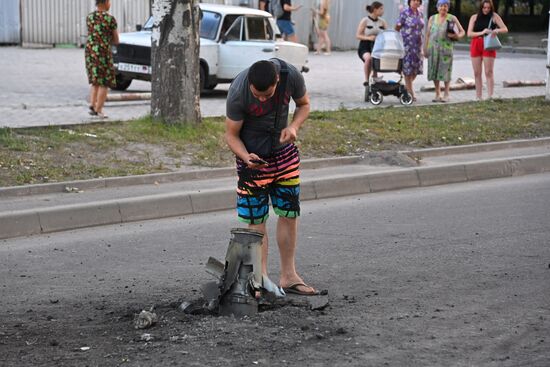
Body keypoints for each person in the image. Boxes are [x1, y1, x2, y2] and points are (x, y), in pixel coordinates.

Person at [224, 59, 318, 296]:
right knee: (257, 221)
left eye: (267, 95)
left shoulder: (291, 76)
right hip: (252, 162)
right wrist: (246, 156)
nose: (262, 100)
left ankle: (288, 276)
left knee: (289, 213)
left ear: (277, 81)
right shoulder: (238, 90)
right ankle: (260, 278)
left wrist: (294, 126)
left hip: (284, 155)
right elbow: (231, 135)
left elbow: (304, 104)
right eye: (257, 95)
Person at [423, 0, 465, 102]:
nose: (443, 8)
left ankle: (446, 94)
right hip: (433, 49)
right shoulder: (432, 18)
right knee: (434, 70)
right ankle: (437, 93)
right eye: (441, 6)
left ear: (448, 7)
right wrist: (425, 48)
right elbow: (427, 34)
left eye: (445, 6)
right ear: (437, 7)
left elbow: (462, 31)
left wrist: (456, 36)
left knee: (446, 71)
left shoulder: (452, 18)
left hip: (446, 49)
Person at [467, 0, 508, 100]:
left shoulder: (494, 16)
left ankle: (490, 96)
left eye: (488, 8)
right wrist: (482, 32)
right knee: (477, 72)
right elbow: (469, 33)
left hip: (488, 44)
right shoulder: (474, 17)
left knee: (488, 71)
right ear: (481, 7)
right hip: (476, 43)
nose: (486, 10)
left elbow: (505, 29)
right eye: (484, 7)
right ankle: (478, 96)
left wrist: (497, 30)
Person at [85, 0, 119, 119]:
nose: (110, 4)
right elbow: (116, 40)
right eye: (109, 1)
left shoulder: (89, 17)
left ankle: (92, 104)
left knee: (95, 80)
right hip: (103, 52)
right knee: (105, 81)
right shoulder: (110, 19)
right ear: (104, 3)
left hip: (90, 52)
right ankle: (98, 110)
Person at [395, 0, 424, 102]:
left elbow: (421, 28)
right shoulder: (405, 13)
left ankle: (406, 88)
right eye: (413, 0)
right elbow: (397, 26)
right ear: (410, 2)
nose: (416, 2)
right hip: (407, 45)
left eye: (418, 0)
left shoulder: (420, 13)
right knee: (408, 70)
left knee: (415, 70)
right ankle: (411, 92)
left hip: (418, 45)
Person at [356, 2, 388, 89]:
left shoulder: (382, 22)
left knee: (376, 59)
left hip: (378, 47)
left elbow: (387, 34)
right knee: (369, 58)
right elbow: (358, 35)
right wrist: (368, 38)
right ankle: (366, 80)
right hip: (365, 46)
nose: (383, 11)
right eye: (381, 9)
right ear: (375, 10)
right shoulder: (365, 21)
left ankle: (375, 77)